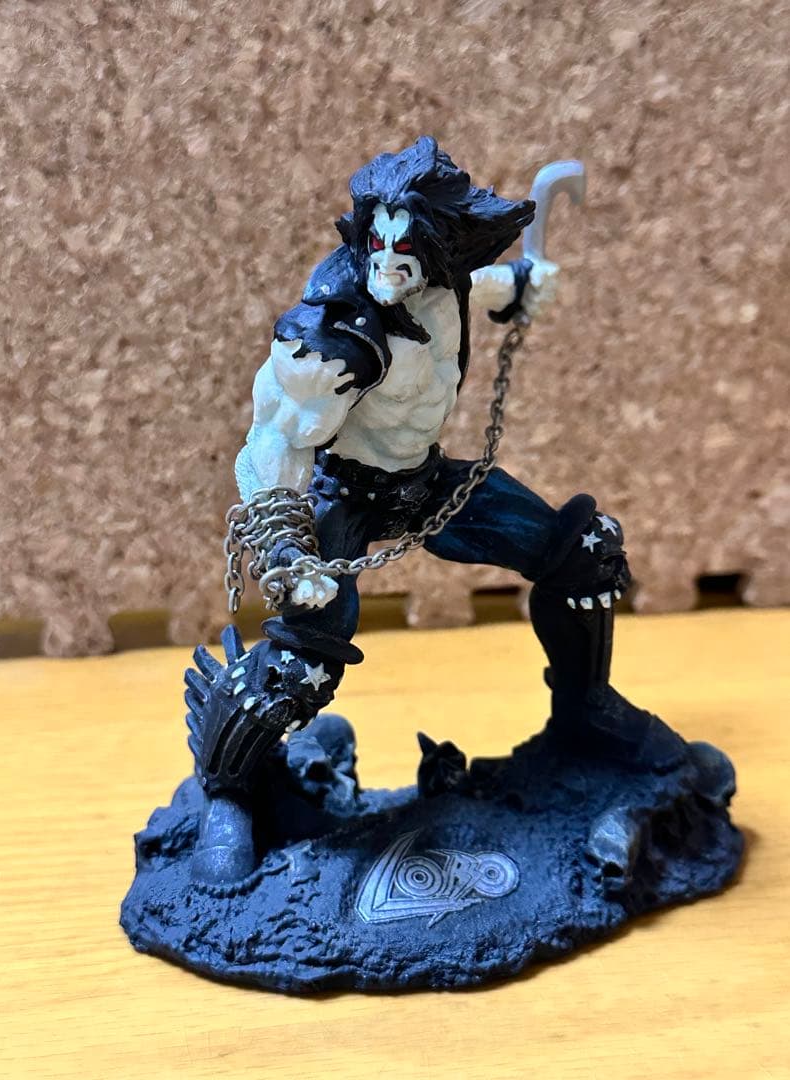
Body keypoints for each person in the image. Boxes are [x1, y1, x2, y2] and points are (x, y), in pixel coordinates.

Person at [186, 137, 684, 887]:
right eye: (378, 242)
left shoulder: (445, 282)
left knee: (583, 551)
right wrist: (288, 547)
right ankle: (229, 796)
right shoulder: (334, 332)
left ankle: (586, 709)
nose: (388, 263)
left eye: (408, 248)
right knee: (303, 658)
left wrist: (518, 288)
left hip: (428, 484)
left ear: (440, 249)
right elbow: (270, 444)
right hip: (342, 498)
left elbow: (474, 290)